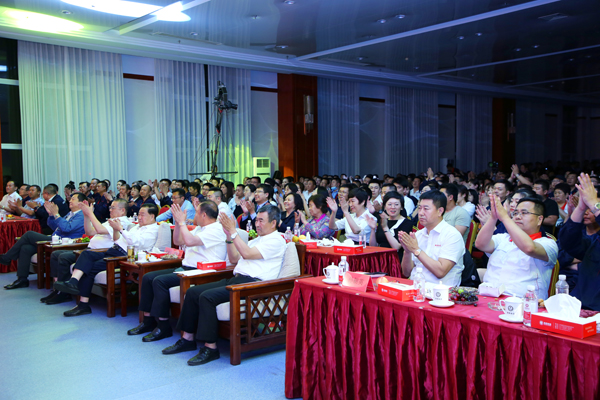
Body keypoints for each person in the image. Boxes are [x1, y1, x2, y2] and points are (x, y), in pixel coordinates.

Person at [161, 205, 286, 366]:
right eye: (257, 220)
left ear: (274, 223)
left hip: (254, 286)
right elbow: (234, 259)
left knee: (207, 297)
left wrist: (233, 232)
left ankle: (211, 348)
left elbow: (247, 253)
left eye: (261, 221)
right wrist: (228, 236)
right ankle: (187, 339)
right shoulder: (257, 239)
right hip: (237, 279)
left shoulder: (276, 240)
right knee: (193, 292)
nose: (257, 224)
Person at [127, 201, 227, 341]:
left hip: (202, 272)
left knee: (160, 281)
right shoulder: (200, 228)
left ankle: (163, 326)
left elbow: (190, 241)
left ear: (204, 215)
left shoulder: (216, 229)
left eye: (196, 213)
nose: (194, 216)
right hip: (187, 268)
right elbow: (178, 241)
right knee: (148, 277)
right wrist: (180, 224)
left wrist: (181, 222)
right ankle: (148, 321)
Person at [54, 204, 160, 316]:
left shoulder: (153, 230)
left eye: (142, 215)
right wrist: (115, 230)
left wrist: (120, 229)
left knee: (89, 268)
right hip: (113, 250)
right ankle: (73, 282)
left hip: (125, 256)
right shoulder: (136, 227)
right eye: (138, 214)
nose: (139, 217)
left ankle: (83, 305)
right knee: (86, 254)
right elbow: (117, 240)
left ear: (152, 216)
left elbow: (134, 242)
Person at [42, 199, 132, 305]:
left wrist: (90, 213)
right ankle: (58, 290)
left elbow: (100, 230)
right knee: (56, 254)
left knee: (64, 257)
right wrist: (86, 216)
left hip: (99, 252)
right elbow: (89, 232)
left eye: (113, 208)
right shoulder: (110, 221)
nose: (110, 210)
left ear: (122, 210)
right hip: (90, 250)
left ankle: (64, 292)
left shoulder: (122, 222)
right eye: (110, 207)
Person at [476, 194, 558, 300]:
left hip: (524, 303)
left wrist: (505, 217)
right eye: (515, 213)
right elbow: (480, 244)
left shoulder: (548, 243)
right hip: (489, 296)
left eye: (524, 213)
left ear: (539, 219)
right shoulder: (503, 238)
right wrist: (493, 217)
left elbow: (529, 248)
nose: (518, 217)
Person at [2, 193, 86, 290]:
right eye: (70, 199)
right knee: (26, 248)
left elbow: (67, 228)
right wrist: (51, 215)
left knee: (29, 234)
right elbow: (55, 227)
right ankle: (22, 279)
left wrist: (56, 214)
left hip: (65, 242)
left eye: (73, 199)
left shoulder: (81, 215)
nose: (70, 201)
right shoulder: (70, 213)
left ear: (81, 203)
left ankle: (7, 257)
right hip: (56, 238)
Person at [399, 190, 465, 286]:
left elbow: (440, 272)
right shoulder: (418, 234)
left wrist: (416, 250)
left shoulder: (452, 235)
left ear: (440, 211)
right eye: (419, 208)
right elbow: (406, 273)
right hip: (415, 288)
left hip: (442, 292)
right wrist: (407, 252)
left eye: (426, 209)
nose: (421, 213)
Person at [558, 174, 600, 310]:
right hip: (582, 305)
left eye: (592, 210)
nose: (589, 211)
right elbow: (567, 242)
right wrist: (580, 208)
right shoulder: (594, 240)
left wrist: (594, 203)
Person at [366, 192, 413, 259]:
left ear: (402, 207)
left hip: (395, 260)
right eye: (389, 204)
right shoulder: (383, 220)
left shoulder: (407, 223)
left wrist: (385, 228)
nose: (392, 207)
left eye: (396, 204)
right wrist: (373, 229)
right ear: (385, 207)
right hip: (380, 259)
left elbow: (396, 247)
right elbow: (373, 246)